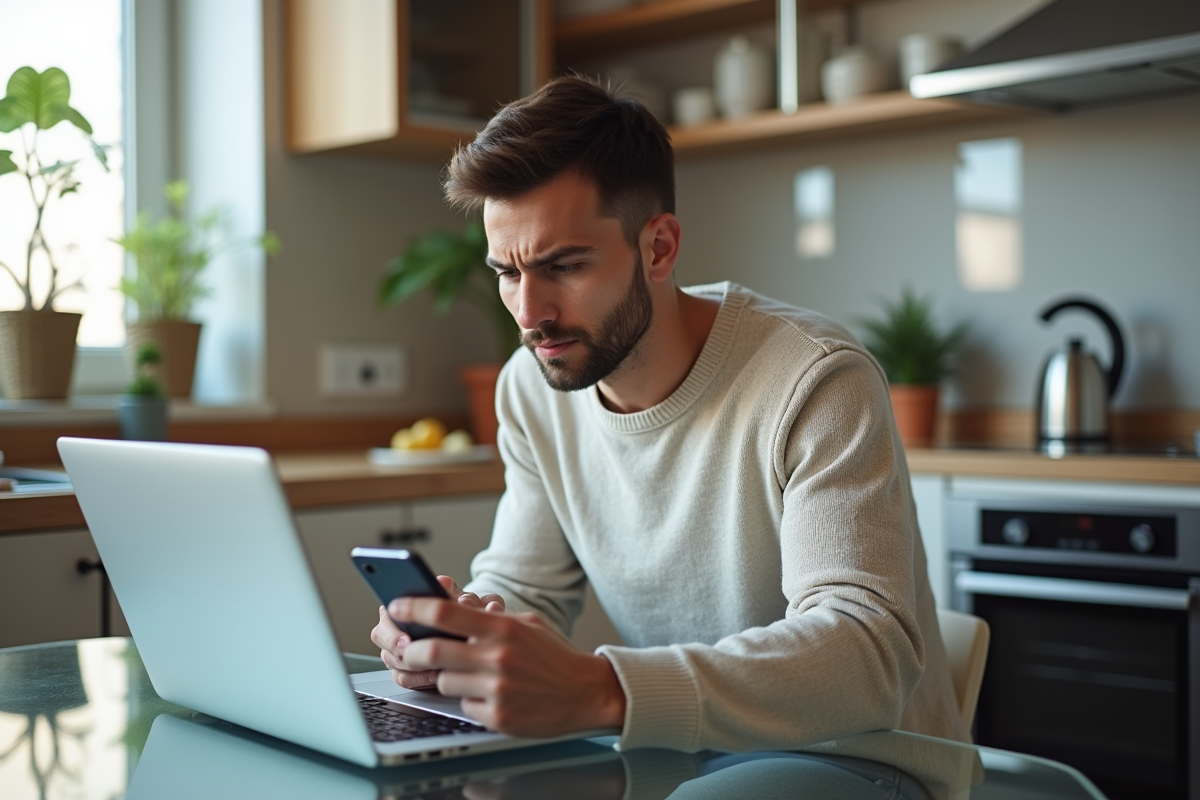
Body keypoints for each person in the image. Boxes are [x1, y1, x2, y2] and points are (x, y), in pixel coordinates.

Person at [372, 75, 968, 752]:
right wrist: (457, 638)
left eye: (563, 265)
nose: (530, 314)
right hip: (677, 752)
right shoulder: (531, 389)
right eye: (508, 272)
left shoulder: (814, 377)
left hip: (862, 759)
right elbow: (524, 585)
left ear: (658, 248)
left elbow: (866, 655)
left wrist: (604, 690)